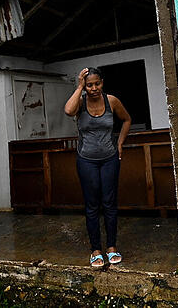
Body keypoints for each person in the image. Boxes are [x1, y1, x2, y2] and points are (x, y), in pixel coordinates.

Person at [64, 67, 131, 267]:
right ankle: (96, 249)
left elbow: (127, 120)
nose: (94, 88)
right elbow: (68, 111)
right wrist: (79, 87)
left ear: (102, 82)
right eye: (89, 85)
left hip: (110, 158)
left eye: (97, 84)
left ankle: (111, 247)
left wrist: (119, 143)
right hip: (86, 160)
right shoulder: (80, 103)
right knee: (92, 205)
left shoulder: (112, 101)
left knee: (109, 203)